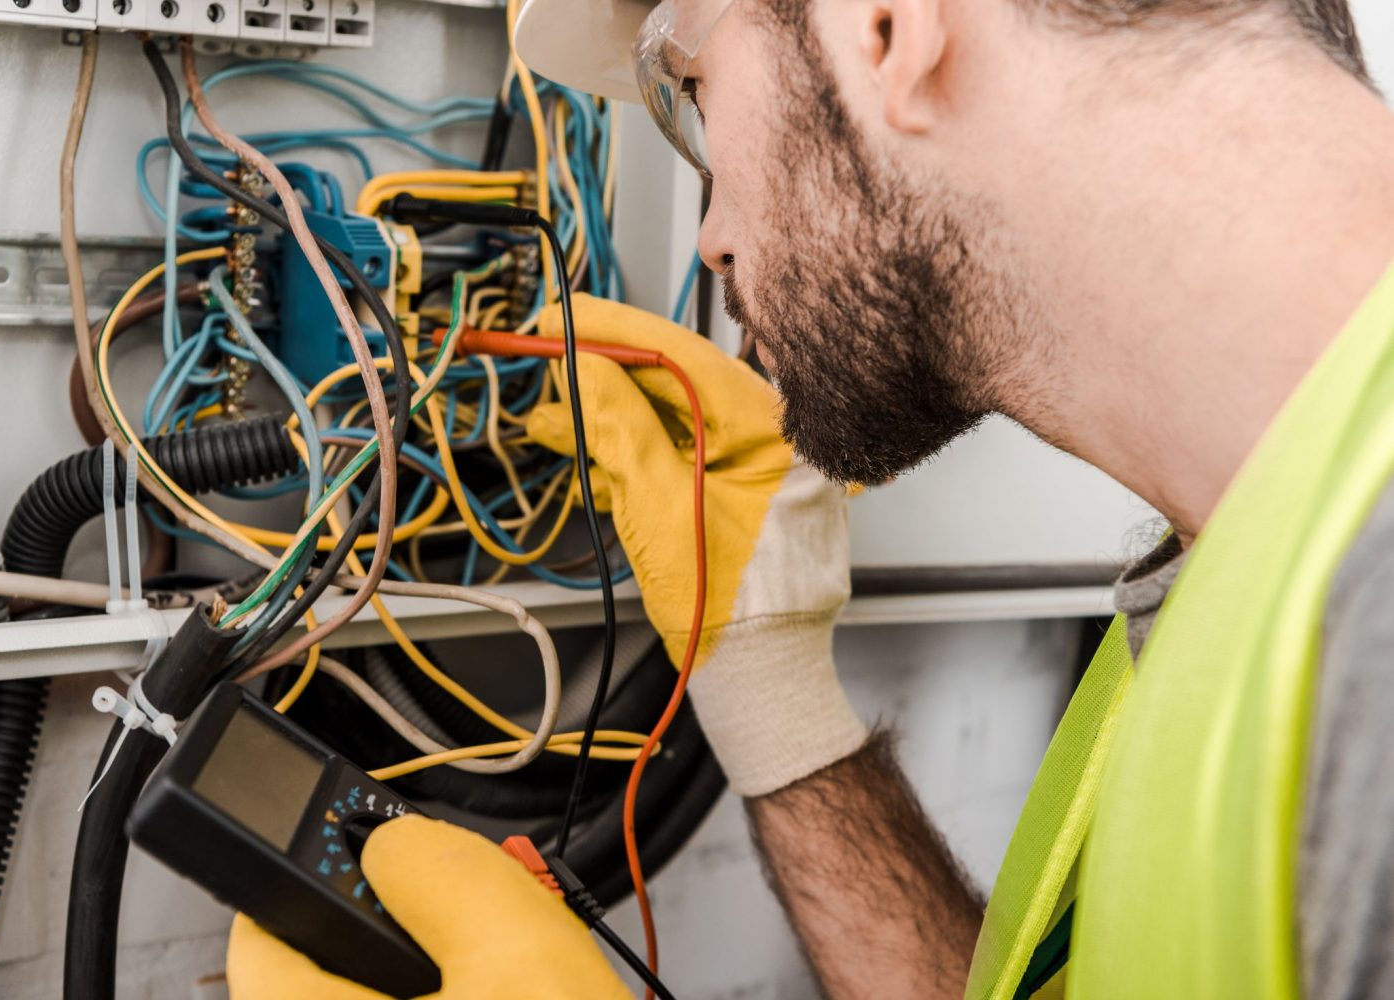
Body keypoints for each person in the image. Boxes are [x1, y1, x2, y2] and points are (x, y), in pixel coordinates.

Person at [229, 0, 1394, 996]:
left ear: (888, 25)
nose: (714, 239)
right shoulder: (1250, 554)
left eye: (693, 84)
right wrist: (772, 691)